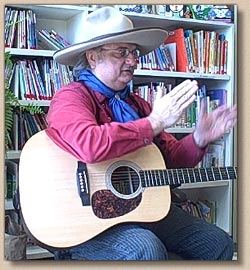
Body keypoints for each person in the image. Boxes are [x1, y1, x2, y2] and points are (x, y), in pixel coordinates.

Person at [45, 6, 237, 260]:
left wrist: (199, 139)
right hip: (81, 216)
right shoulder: (71, 97)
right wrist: (153, 122)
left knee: (218, 243)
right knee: (145, 249)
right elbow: (88, 145)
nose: (133, 61)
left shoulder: (138, 105)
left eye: (134, 53)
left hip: (139, 207)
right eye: (122, 52)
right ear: (93, 58)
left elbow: (169, 161)